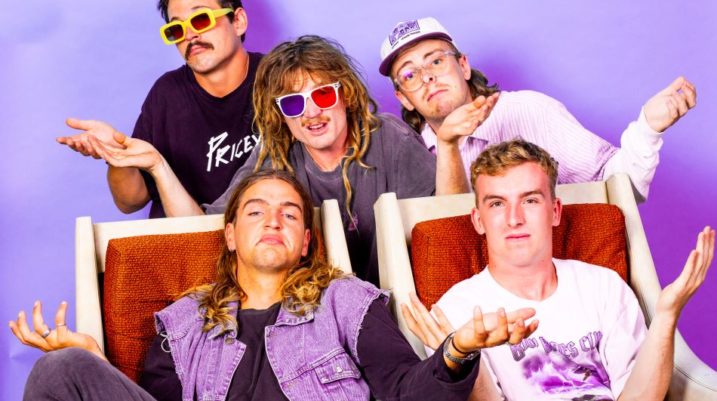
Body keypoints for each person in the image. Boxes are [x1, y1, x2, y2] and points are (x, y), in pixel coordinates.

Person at [9, 170, 542, 401]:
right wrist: (96, 364)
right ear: (230, 235)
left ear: (306, 241)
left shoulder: (349, 304)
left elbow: (407, 393)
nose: (272, 220)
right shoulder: (183, 323)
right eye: (256, 211)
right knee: (62, 368)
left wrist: (456, 351)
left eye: (289, 213)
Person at [98, 35, 459, 285]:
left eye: (322, 95)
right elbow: (204, 232)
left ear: (346, 94)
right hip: (316, 316)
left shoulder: (389, 138)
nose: (311, 112)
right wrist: (158, 167)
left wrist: (448, 145)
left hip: (399, 306)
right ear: (281, 114)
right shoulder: (275, 156)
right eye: (293, 103)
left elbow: (447, 227)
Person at [401, 140, 714, 400]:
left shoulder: (604, 286)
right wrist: (462, 355)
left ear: (555, 211)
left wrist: (667, 314)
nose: (514, 219)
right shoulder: (455, 312)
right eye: (497, 204)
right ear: (478, 220)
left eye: (530, 201)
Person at [379, 17, 697, 200]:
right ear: (403, 97)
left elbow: (619, 188)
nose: (428, 76)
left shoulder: (528, 110)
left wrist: (647, 128)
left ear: (463, 66)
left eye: (436, 60)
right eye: (409, 75)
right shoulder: (404, 153)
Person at [56, 0, 262, 217]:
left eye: (201, 19)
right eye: (176, 29)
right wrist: (115, 154)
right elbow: (130, 201)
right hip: (182, 236)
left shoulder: (278, 81)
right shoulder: (167, 94)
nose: (189, 35)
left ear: (238, 21)